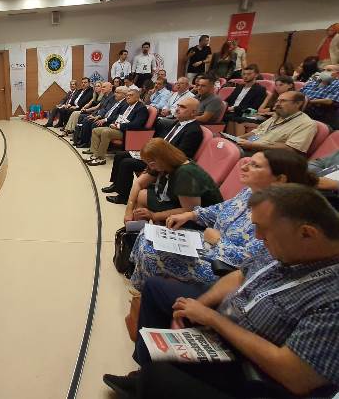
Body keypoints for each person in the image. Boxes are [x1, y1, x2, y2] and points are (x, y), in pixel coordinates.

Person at [104, 184, 339, 399]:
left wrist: (213, 320)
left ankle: (149, 379)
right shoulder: (287, 246)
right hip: (230, 318)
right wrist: (202, 304)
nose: (258, 236)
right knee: (156, 288)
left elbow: (294, 376)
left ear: (307, 234)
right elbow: (240, 275)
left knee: (158, 376)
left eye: (264, 230)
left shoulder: (332, 299)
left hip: (255, 369)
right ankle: (143, 373)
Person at [129, 149, 318, 291]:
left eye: (255, 166)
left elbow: (251, 261)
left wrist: (217, 241)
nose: (244, 167)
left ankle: (150, 295)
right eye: (248, 162)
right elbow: (220, 209)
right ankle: (144, 288)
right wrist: (191, 215)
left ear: (280, 179)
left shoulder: (283, 216)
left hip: (225, 268)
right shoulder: (249, 192)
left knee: (151, 252)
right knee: (148, 234)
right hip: (208, 244)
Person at [103, 97, 204, 204]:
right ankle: (117, 185)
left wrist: (154, 157)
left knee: (127, 163)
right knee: (120, 155)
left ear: (193, 112)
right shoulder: (178, 123)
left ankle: (123, 197)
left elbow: (181, 156)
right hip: (157, 155)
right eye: (178, 106)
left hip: (164, 162)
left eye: (182, 107)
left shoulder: (193, 131)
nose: (177, 109)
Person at [237, 91, 317, 156]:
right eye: (277, 101)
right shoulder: (277, 116)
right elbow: (256, 132)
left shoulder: (306, 123)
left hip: (268, 157)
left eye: (283, 101)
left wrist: (252, 145)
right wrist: (237, 139)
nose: (277, 104)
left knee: (232, 153)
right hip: (251, 148)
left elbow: (291, 149)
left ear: (298, 103)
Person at [84, 88, 149, 166]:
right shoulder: (126, 105)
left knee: (106, 132)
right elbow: (118, 117)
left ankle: (101, 158)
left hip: (127, 132)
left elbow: (136, 125)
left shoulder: (141, 108)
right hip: (117, 127)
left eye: (131, 95)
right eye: (127, 95)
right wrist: (114, 124)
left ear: (137, 97)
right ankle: (95, 154)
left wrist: (118, 126)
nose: (128, 97)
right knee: (95, 130)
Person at [222, 65, 268, 133]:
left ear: (256, 75)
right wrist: (223, 105)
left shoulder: (260, 89)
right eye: (244, 74)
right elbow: (228, 100)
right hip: (230, 111)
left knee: (231, 117)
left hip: (244, 112)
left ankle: (230, 138)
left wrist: (234, 108)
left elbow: (254, 107)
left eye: (249, 74)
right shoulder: (239, 87)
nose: (245, 76)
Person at [301, 64, 339, 129]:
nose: (324, 72)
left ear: (337, 74)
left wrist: (308, 101)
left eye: (329, 70)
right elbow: (301, 92)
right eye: (323, 70)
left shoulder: (337, 84)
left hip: (317, 110)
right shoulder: (315, 81)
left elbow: (329, 101)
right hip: (301, 104)